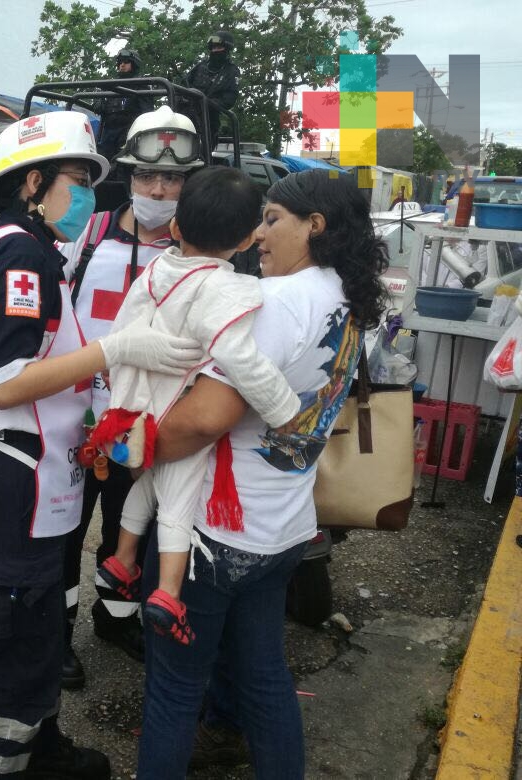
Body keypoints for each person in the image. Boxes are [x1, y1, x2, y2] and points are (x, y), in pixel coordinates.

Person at [0, 111, 203, 779]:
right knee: (16, 646)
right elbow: (10, 383)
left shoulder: (24, 248)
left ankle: (41, 747)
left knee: (41, 626)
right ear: (32, 183)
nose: (87, 196)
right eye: (78, 180)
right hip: (11, 480)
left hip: (29, 474)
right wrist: (118, 348)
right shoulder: (19, 254)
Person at [135, 169, 389, 778]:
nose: (259, 235)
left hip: (214, 536)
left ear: (316, 226)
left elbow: (206, 418)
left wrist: (130, 447)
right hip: (283, 530)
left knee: (174, 691)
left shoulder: (278, 302)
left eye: (273, 219)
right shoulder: (351, 300)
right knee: (265, 679)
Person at [90, 167, 300, 648]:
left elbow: (123, 327)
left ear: (177, 228)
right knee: (179, 503)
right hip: (170, 414)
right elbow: (239, 356)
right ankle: (166, 592)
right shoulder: (226, 289)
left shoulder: (158, 268)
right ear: (249, 238)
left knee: (146, 485)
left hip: (129, 413)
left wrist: (113, 380)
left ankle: (123, 557)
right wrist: (285, 411)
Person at [58, 105, 203, 688]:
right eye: (148, 178)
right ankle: (56, 635)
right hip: (77, 417)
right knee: (63, 533)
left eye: (173, 179)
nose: (160, 189)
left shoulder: (200, 249)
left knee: (129, 530)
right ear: (129, 177)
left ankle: (115, 621)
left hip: (148, 424)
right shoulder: (85, 234)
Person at [182, 31, 240, 152]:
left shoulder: (231, 71)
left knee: (201, 154)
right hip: (187, 117)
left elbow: (229, 99)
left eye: (219, 47)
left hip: (208, 120)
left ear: (226, 49)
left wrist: (207, 102)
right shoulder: (200, 67)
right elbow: (183, 85)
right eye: (213, 47)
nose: (215, 50)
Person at [96, 48, 155, 160]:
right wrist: (100, 100)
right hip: (108, 131)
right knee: (102, 162)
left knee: (123, 164)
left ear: (134, 64)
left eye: (126, 62)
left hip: (129, 130)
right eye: (120, 62)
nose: (122, 65)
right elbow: (99, 108)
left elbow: (147, 114)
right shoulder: (111, 85)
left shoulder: (141, 84)